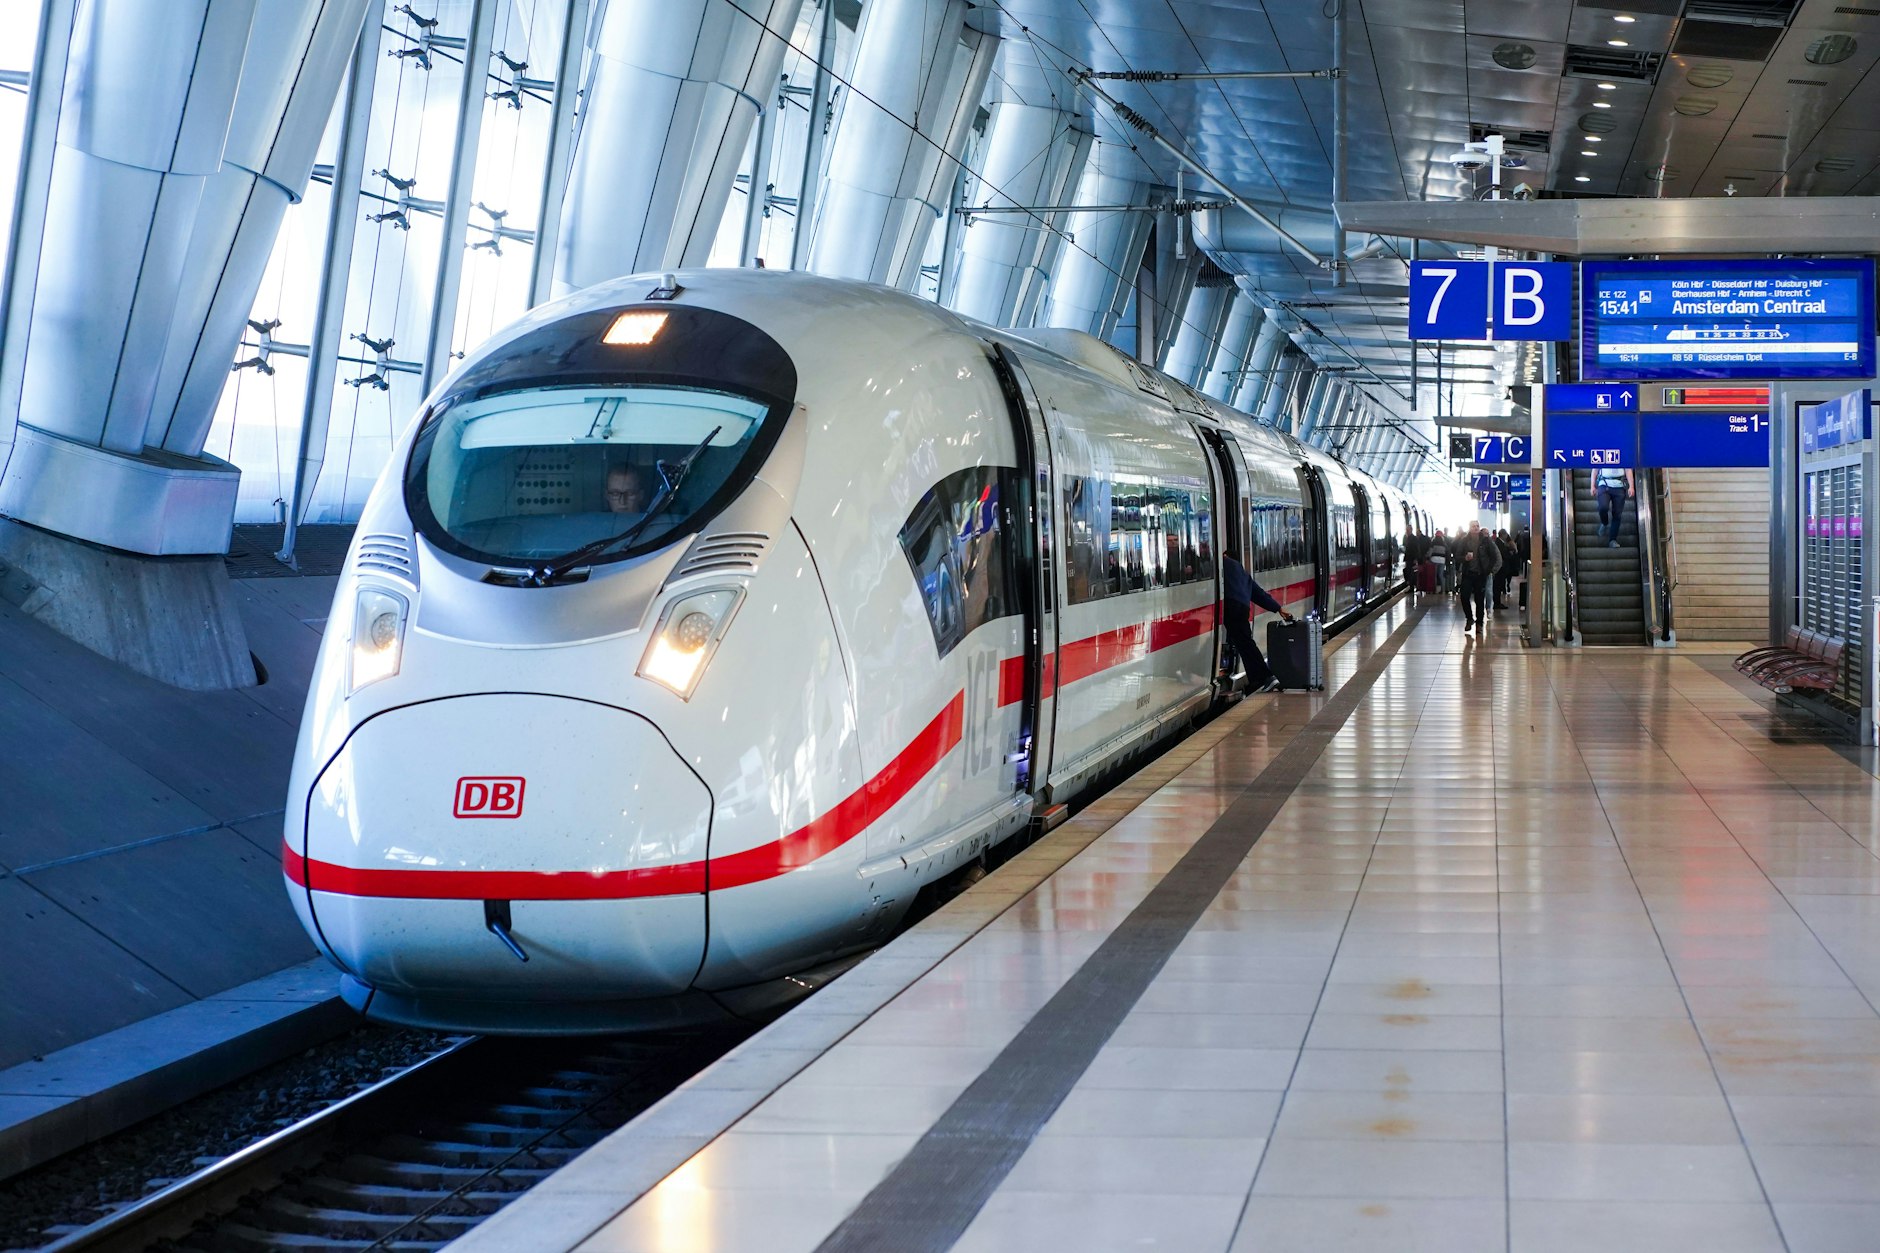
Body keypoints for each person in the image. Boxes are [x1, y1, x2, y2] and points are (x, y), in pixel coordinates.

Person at [1222, 550, 1294, 694]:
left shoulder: (1222, 565)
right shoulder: (1239, 568)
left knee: (1245, 644)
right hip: (1242, 608)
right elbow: (1257, 592)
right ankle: (1260, 679)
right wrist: (1278, 608)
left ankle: (1266, 677)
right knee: (1246, 643)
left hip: (1230, 607)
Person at [1458, 521, 1501, 631]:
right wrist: (1464, 558)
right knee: (1464, 596)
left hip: (1481, 574)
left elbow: (1493, 556)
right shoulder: (1464, 541)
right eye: (1473, 526)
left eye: (1477, 526)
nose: (1476, 528)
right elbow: (1458, 556)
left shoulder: (1486, 541)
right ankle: (1469, 618)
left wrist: (1488, 570)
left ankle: (1479, 623)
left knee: (1480, 599)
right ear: (1470, 528)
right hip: (1468, 573)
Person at [1595, 466, 1632, 548]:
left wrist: (1631, 487)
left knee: (1617, 514)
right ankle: (1604, 523)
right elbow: (1595, 468)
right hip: (1604, 484)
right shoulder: (1602, 453)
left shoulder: (1623, 453)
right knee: (1603, 507)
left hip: (1619, 486)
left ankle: (1612, 539)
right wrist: (1592, 486)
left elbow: (1628, 469)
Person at [1428, 529, 1450, 595]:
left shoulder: (1433, 543)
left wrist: (1428, 557)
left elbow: (1430, 552)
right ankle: (1442, 590)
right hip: (1442, 561)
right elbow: (1447, 553)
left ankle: (1434, 590)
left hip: (1434, 560)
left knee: (1434, 575)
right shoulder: (1444, 544)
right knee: (1441, 575)